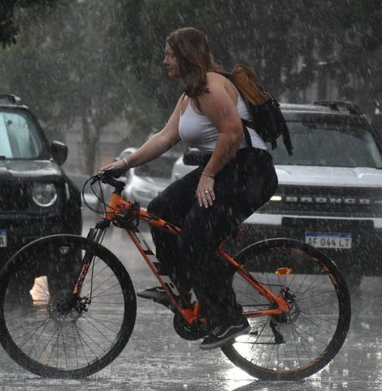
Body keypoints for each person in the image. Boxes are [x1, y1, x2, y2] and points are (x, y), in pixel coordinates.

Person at [100, 27, 278, 350]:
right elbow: (164, 138)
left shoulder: (210, 87)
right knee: (159, 211)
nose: (164, 60)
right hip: (225, 166)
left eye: (169, 54)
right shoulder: (189, 96)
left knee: (195, 237)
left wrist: (208, 176)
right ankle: (181, 288)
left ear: (185, 56)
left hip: (250, 169)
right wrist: (125, 164)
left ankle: (229, 318)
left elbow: (233, 133)